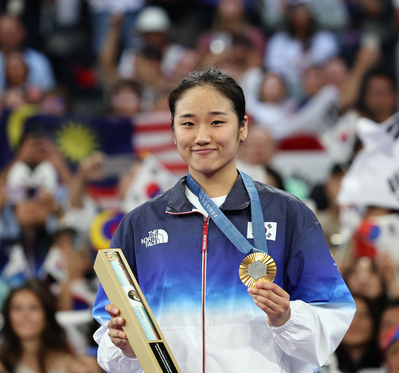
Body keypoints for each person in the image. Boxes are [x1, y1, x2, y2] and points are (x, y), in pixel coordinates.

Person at [92, 69, 356, 373]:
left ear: (242, 128)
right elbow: (108, 334)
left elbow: (332, 319)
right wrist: (125, 346)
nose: (202, 136)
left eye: (217, 122)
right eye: (188, 123)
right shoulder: (139, 224)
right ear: (173, 131)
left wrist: (286, 317)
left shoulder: (288, 215)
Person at [0, 280, 73, 373]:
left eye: (33, 307)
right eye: (17, 308)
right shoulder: (2, 363)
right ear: (8, 316)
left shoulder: (71, 364)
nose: (25, 315)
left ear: (47, 314)